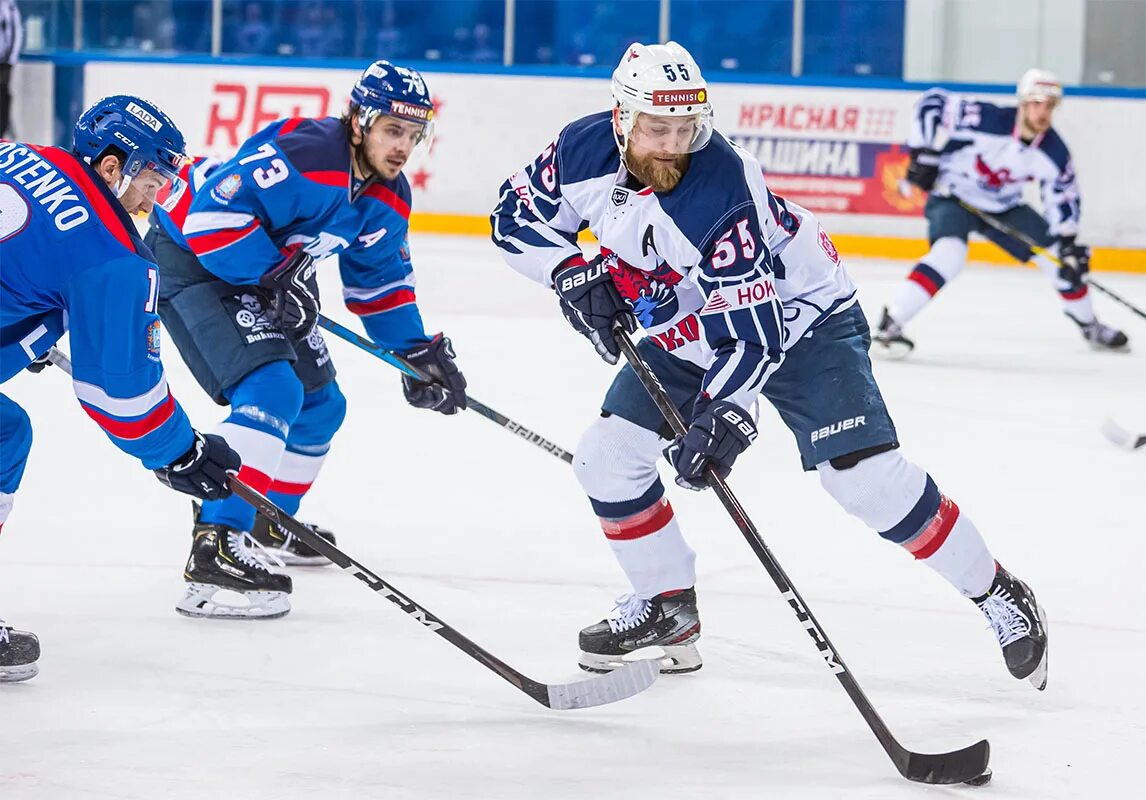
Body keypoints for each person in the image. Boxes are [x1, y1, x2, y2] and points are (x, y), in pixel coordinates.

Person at [491, 42, 1049, 689]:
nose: (673, 144)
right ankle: (668, 608)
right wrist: (569, 273)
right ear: (621, 118)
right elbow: (514, 217)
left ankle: (997, 592)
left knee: (863, 481)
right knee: (606, 457)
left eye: (685, 128)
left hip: (801, 315)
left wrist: (725, 415)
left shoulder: (719, 186)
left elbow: (749, 339)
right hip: (689, 321)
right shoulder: (582, 151)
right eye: (656, 128)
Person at [146, 59, 466, 620]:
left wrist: (414, 351)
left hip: (269, 274)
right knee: (272, 391)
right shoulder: (308, 152)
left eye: (414, 136)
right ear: (359, 121)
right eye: (393, 130)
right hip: (195, 261)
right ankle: (217, 540)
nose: (403, 147)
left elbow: (380, 283)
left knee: (321, 406)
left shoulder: (387, 198)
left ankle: (270, 517)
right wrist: (271, 276)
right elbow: (209, 219)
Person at [0, 96, 242, 682]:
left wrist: (27, 331)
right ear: (112, 166)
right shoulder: (108, 253)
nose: (154, 199)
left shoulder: (27, 153)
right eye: (154, 178)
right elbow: (118, 394)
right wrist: (179, 450)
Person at [876, 68, 1128, 357]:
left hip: (1003, 207)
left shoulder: (1053, 152)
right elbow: (930, 103)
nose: (1042, 112)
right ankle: (892, 322)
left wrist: (1068, 242)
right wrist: (922, 153)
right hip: (953, 196)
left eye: (1049, 106)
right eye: (1036, 103)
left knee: (1061, 262)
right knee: (950, 254)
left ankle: (1090, 325)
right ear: (1022, 103)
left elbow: (1063, 197)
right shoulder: (987, 119)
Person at [0, 0, 21, 137]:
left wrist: (9, 60)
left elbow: (15, 33)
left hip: (3, 63)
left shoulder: (8, 5)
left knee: (2, 96)